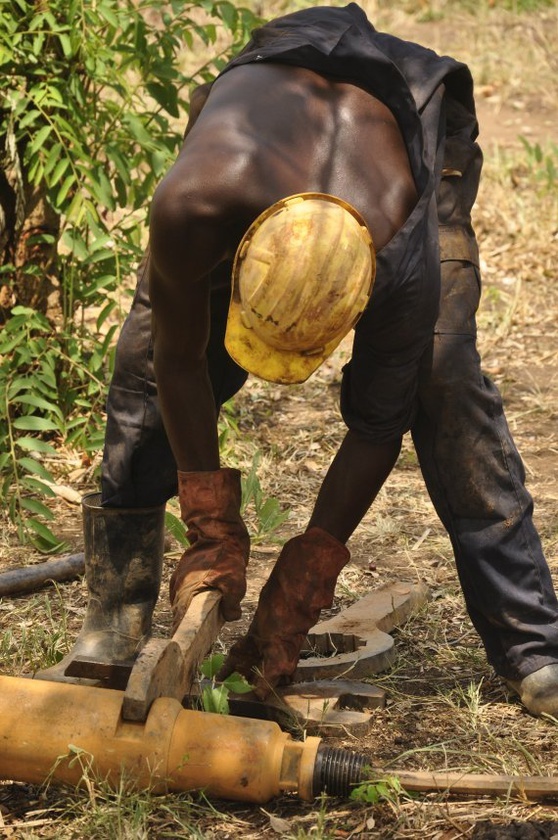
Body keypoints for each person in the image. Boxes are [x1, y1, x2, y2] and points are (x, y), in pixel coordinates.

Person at [39, 4, 558, 715]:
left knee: (442, 376)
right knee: (145, 357)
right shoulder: (194, 204)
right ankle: (114, 625)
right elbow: (180, 361)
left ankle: (533, 647)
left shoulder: (402, 259)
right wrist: (211, 526)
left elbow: (378, 425)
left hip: (411, 107)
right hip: (272, 88)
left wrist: (305, 578)